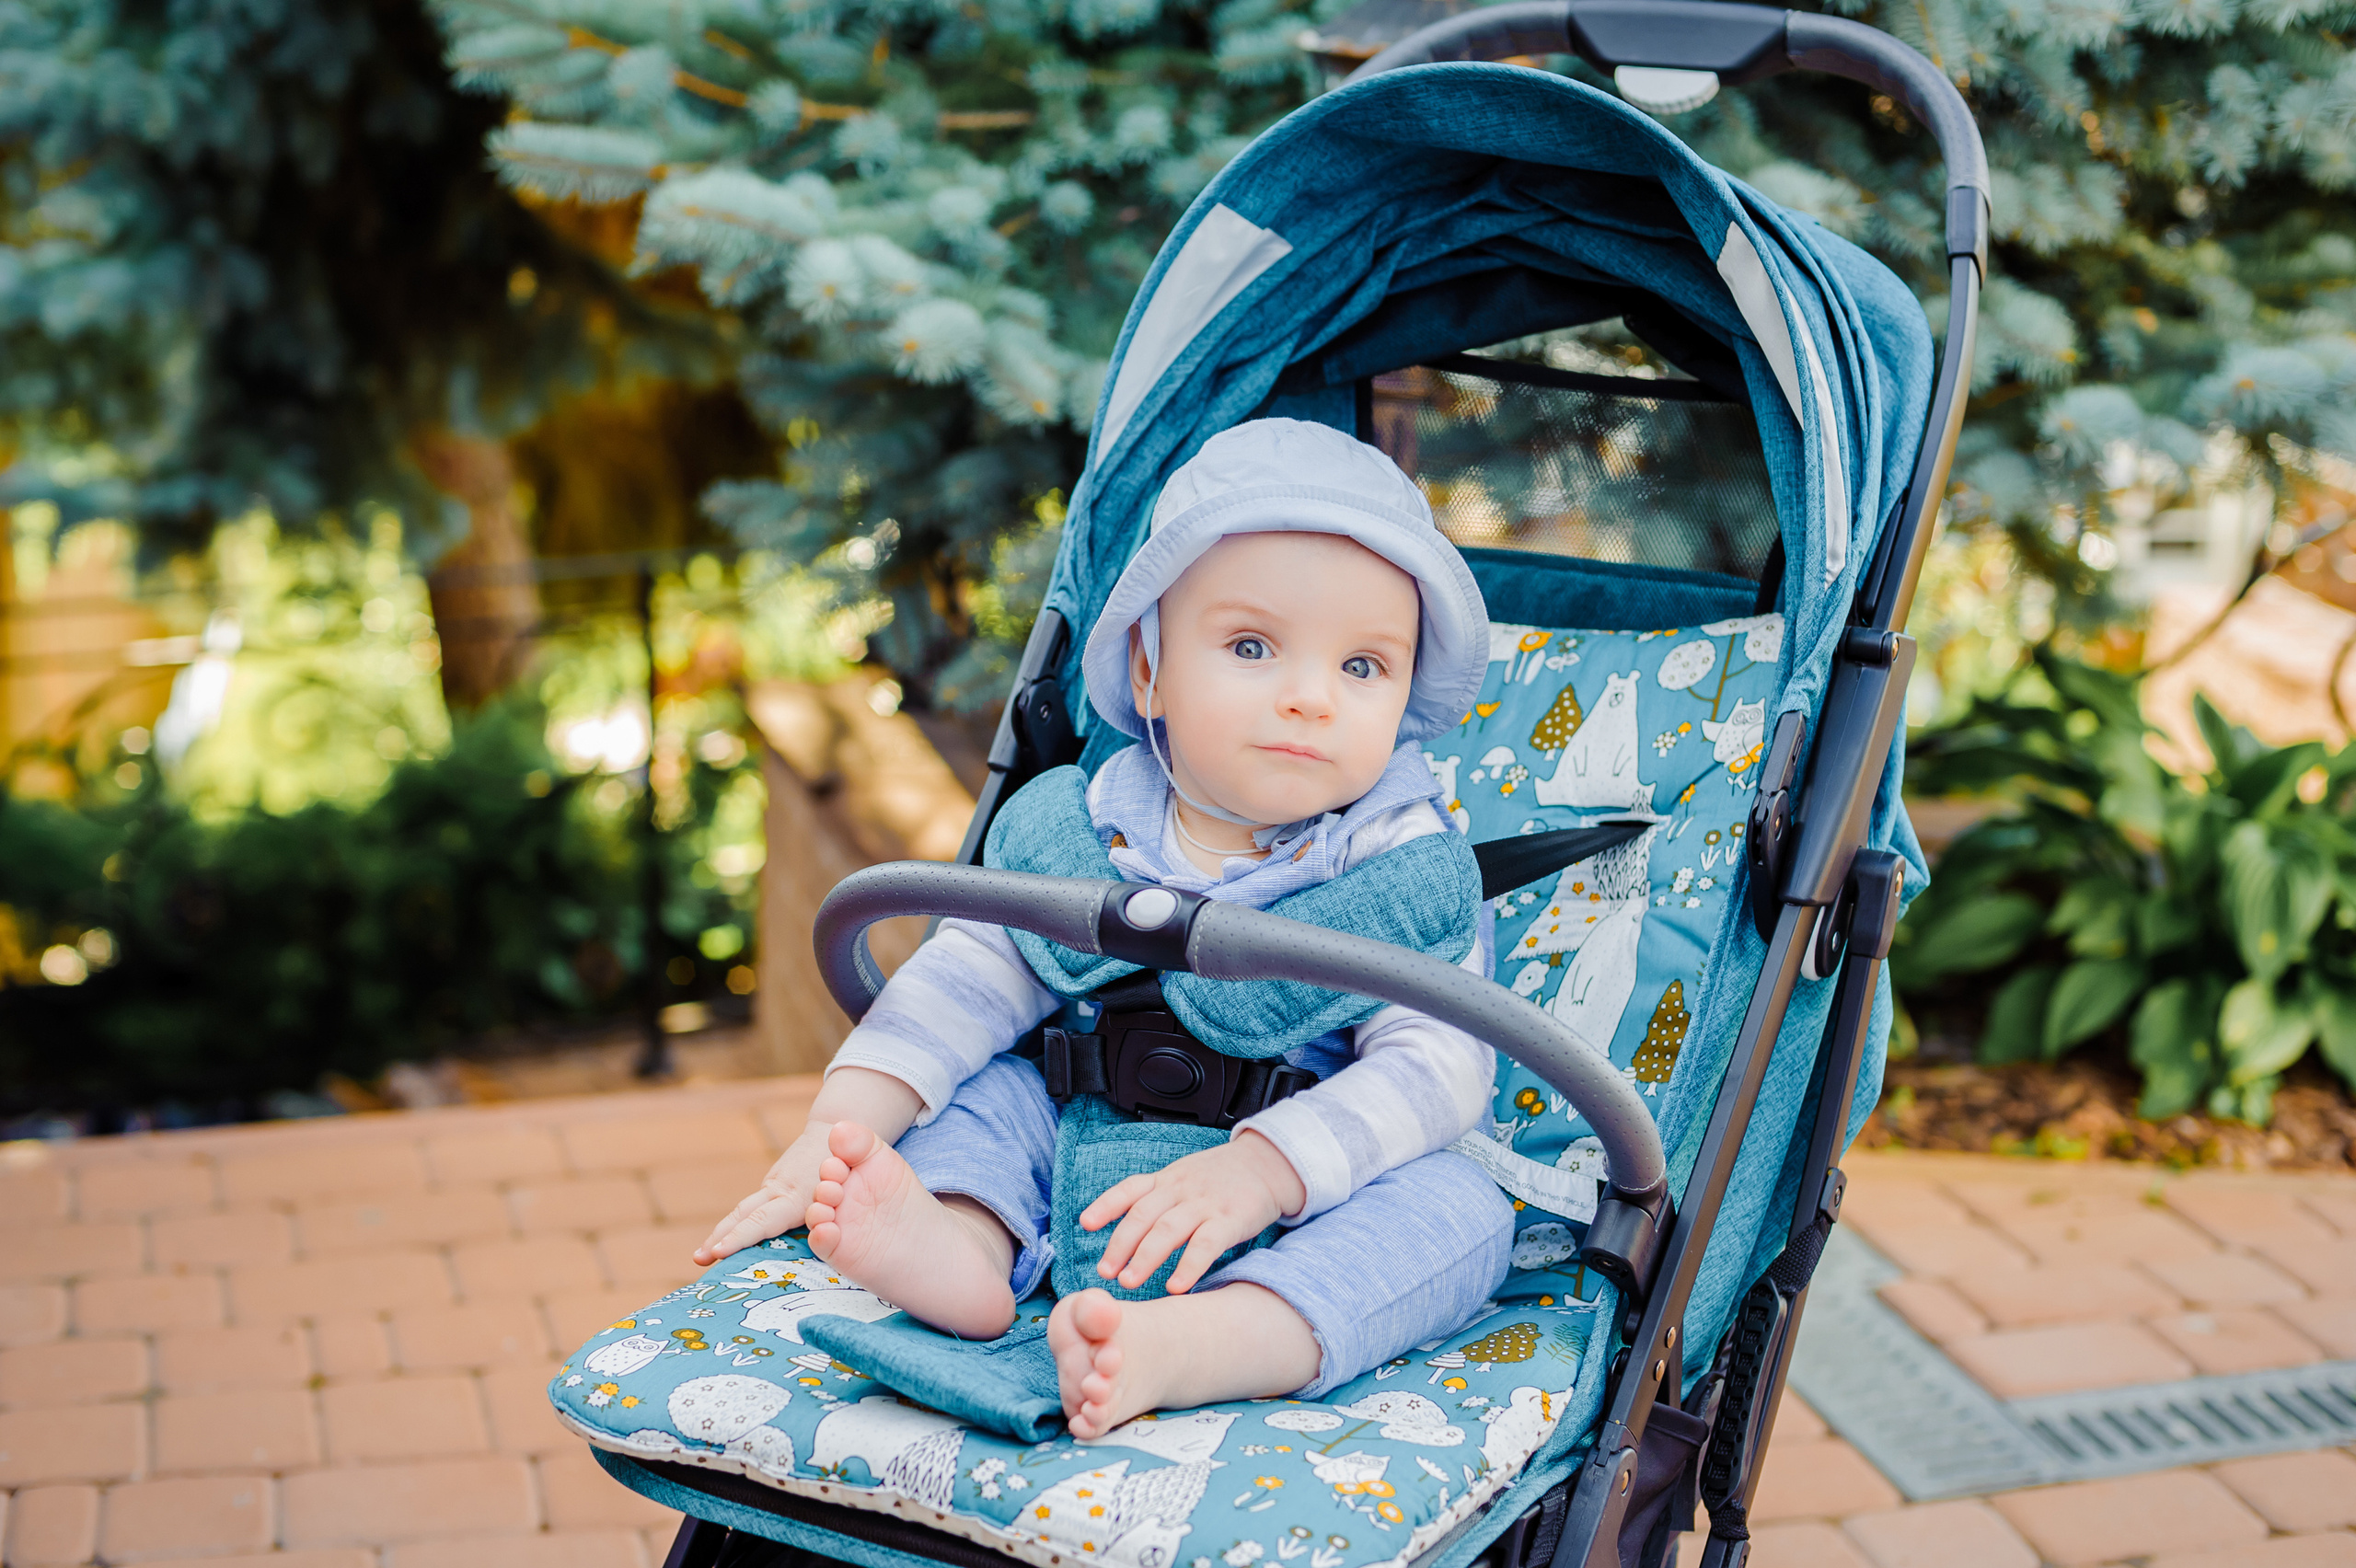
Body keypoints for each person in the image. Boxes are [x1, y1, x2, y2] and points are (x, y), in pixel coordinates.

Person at [696, 419, 1514, 1438]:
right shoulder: (1085, 829)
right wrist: (834, 1127)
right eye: (1252, 647)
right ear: (1147, 674)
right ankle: (958, 1250)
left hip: (1291, 1192)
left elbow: (1436, 1073)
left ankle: (1204, 1345)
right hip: (1074, 1133)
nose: (1310, 698)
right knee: (984, 1089)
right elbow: (965, 980)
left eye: (1362, 668)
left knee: (1459, 1212)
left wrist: (1266, 1171)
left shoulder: (1402, 871)